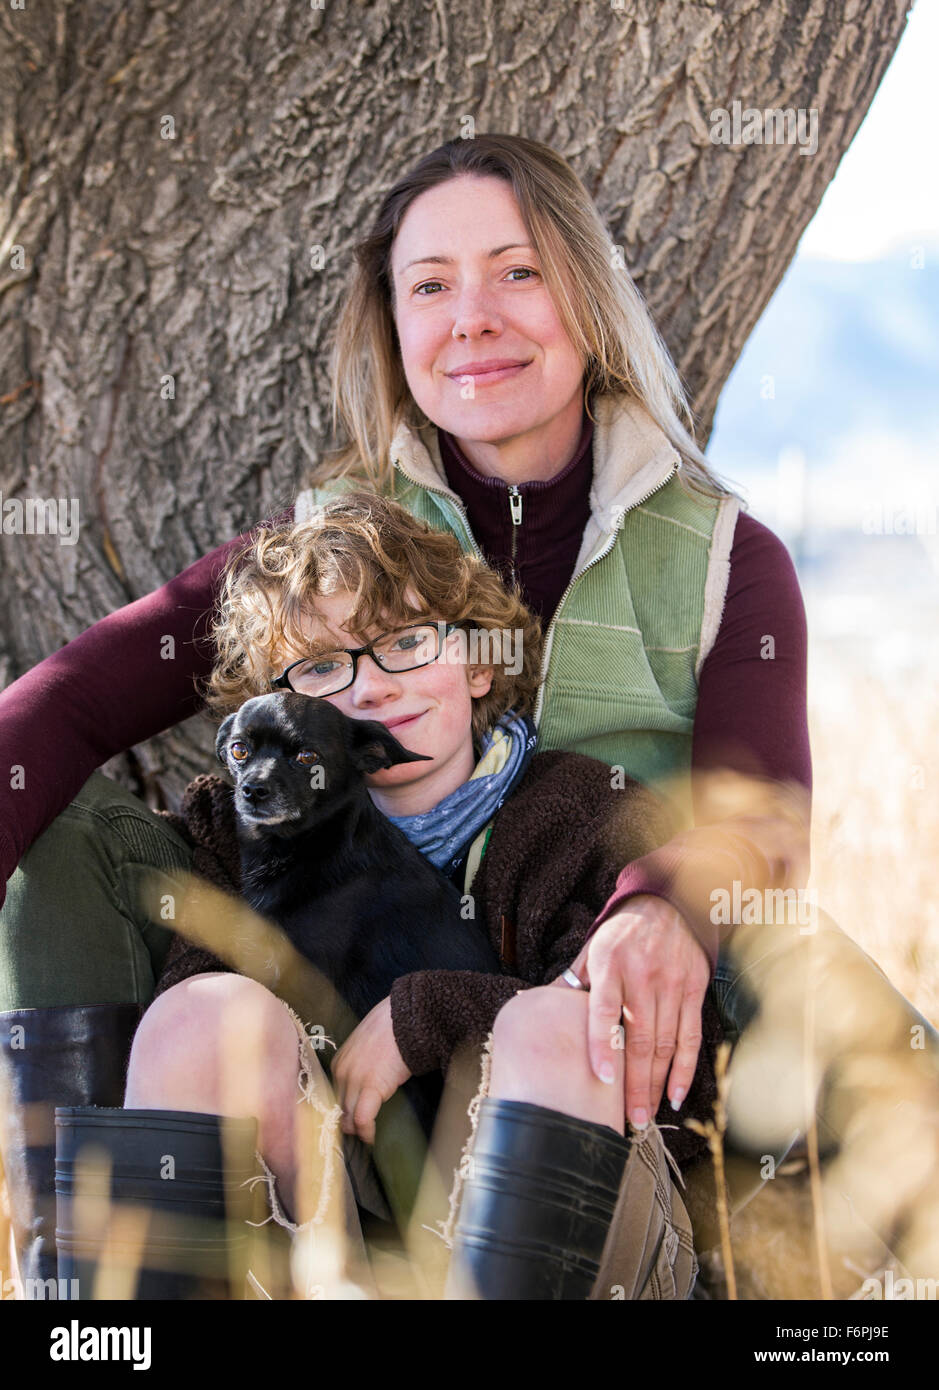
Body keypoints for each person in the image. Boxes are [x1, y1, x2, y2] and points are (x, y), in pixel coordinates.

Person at [0, 133, 935, 1293]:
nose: (472, 317)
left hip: (588, 1056)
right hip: (325, 1072)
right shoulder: (327, 547)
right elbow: (77, 695)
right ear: (392, 326)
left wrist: (657, 910)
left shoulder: (722, 561)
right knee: (63, 830)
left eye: (518, 271)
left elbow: (767, 817)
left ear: (584, 297)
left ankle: (783, 1255)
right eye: (430, 286)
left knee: (742, 932)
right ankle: (79, 1280)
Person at [122, 492, 717, 1300]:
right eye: (325, 666)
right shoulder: (244, 828)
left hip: (573, 1224)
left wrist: (426, 1013)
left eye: (406, 641)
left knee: (557, 1023)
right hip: (336, 1210)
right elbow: (198, 1016)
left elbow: (637, 1035)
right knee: (198, 1013)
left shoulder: (587, 812)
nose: (370, 690)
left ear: (478, 663)